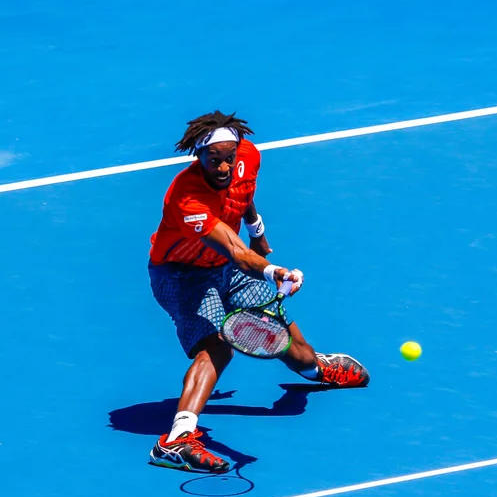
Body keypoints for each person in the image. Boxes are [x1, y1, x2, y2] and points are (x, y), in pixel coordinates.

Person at [147, 111, 369, 474]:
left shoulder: (247, 156)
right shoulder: (186, 198)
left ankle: (317, 370)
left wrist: (258, 230)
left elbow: (244, 193)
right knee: (217, 346)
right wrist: (273, 270)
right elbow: (235, 252)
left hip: (228, 269)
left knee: (294, 351)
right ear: (198, 157)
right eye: (212, 159)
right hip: (182, 275)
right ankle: (175, 441)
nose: (221, 167)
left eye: (227, 158)